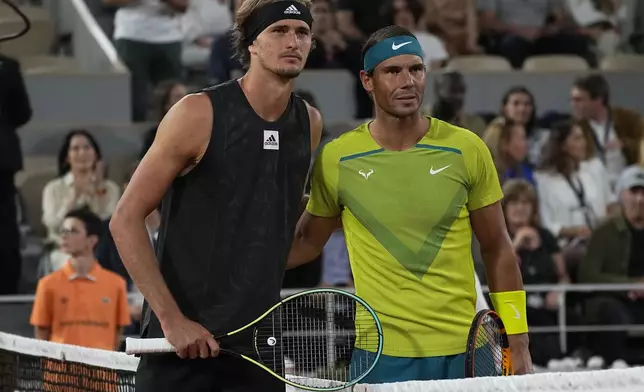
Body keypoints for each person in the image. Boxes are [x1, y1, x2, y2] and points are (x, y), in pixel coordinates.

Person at [288, 25, 532, 383]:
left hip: (466, 349)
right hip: (380, 356)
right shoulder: (337, 158)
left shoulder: (467, 148)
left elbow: (497, 247)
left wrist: (519, 341)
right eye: (392, 71)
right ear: (367, 81)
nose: (408, 81)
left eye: (415, 69)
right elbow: (306, 241)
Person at [109, 0, 322, 391]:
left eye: (302, 32)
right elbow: (125, 218)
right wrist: (172, 321)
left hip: (258, 350)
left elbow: (280, 240)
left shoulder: (308, 122)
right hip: (181, 349)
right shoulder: (197, 113)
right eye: (278, 30)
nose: (293, 41)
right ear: (252, 43)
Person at [30, 208, 131, 351]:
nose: (64, 235)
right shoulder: (47, 284)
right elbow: (41, 333)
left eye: (72, 231)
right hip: (59, 371)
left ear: (92, 240)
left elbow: (117, 331)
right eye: (63, 230)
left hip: (102, 370)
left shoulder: (116, 284)